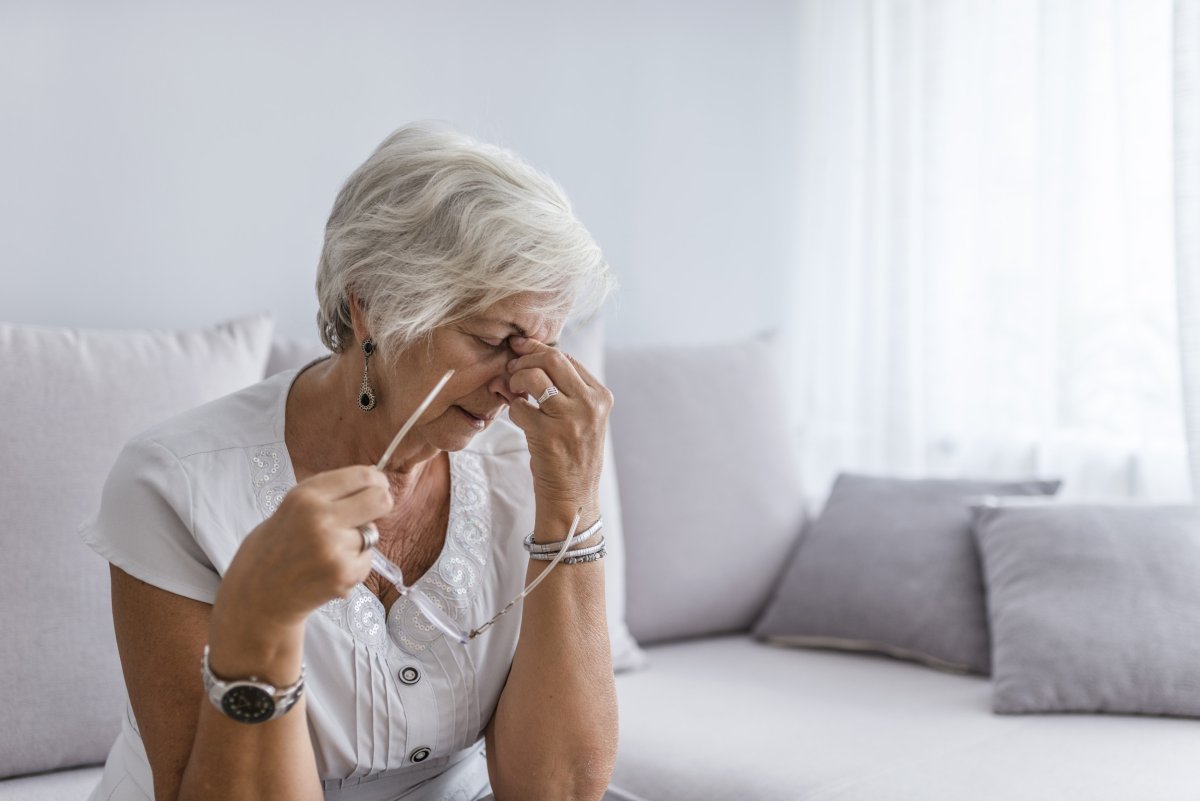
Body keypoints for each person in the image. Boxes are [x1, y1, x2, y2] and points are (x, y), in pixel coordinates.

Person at [82, 123, 619, 801]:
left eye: (542, 345)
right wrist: (260, 622)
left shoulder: (529, 463)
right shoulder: (176, 486)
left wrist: (571, 507)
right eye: (492, 340)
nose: (521, 384)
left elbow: (557, 790)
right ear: (371, 308)